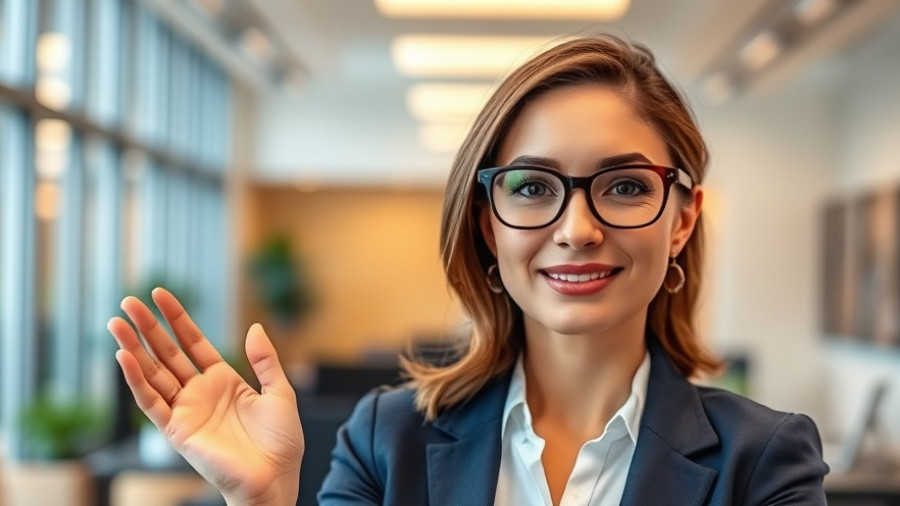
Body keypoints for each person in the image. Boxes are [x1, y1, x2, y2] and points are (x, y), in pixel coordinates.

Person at [108, 35, 829, 506]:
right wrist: (263, 499)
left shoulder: (763, 461)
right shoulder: (385, 440)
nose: (577, 230)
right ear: (487, 223)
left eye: (626, 186)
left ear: (682, 218)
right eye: (532, 188)